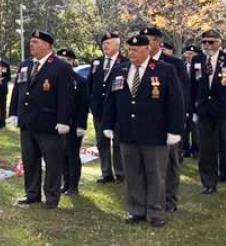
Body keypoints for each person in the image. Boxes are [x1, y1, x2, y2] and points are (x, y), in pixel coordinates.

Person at [102, 35, 184, 227]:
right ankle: (136, 210)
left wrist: (175, 130)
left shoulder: (165, 70)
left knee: (155, 174)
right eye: (129, 49)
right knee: (133, 173)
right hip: (127, 132)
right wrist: (108, 124)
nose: (131, 53)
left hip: (155, 133)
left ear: (147, 49)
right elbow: (110, 101)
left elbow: (176, 103)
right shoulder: (120, 70)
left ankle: (155, 212)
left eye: (136, 50)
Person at [13, 31, 74, 209]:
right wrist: (13, 113)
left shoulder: (60, 67)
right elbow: (18, 90)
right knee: (30, 161)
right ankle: (32, 194)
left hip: (49, 124)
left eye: (35, 42)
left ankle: (52, 197)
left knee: (53, 163)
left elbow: (66, 97)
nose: (31, 44)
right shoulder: (25, 65)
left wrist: (63, 121)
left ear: (47, 45)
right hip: (27, 123)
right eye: (31, 42)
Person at [190, 29, 226, 196]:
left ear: (219, 42)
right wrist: (193, 110)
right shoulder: (197, 60)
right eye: (204, 42)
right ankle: (208, 183)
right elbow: (193, 87)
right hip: (204, 112)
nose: (207, 45)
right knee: (206, 150)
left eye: (211, 42)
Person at [140, 26, 189, 213]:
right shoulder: (137, 62)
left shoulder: (174, 64)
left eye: (148, 39)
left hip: (166, 122)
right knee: (147, 164)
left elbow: (182, 94)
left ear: (158, 42)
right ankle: (148, 199)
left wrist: (177, 124)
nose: (144, 43)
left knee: (169, 163)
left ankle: (169, 200)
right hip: (143, 122)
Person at [87, 31, 125, 183]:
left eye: (108, 44)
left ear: (117, 44)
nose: (105, 46)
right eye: (103, 44)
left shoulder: (125, 62)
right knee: (101, 142)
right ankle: (106, 173)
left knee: (117, 142)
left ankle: (121, 173)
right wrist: (91, 103)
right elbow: (90, 84)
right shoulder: (97, 62)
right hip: (99, 110)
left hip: (117, 111)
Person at [57, 49, 89, 196]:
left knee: (72, 154)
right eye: (61, 60)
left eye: (67, 60)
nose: (64, 62)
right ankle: (65, 183)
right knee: (62, 155)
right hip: (58, 124)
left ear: (73, 62)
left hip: (74, 125)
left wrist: (82, 125)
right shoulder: (54, 79)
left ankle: (73, 186)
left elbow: (83, 106)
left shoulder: (80, 81)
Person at [182, 45, 203, 158]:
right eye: (187, 54)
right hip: (184, 100)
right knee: (184, 126)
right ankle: (185, 148)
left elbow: (199, 83)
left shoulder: (198, 68)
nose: (189, 56)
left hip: (195, 100)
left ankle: (196, 149)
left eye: (191, 54)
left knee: (195, 127)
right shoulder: (182, 66)